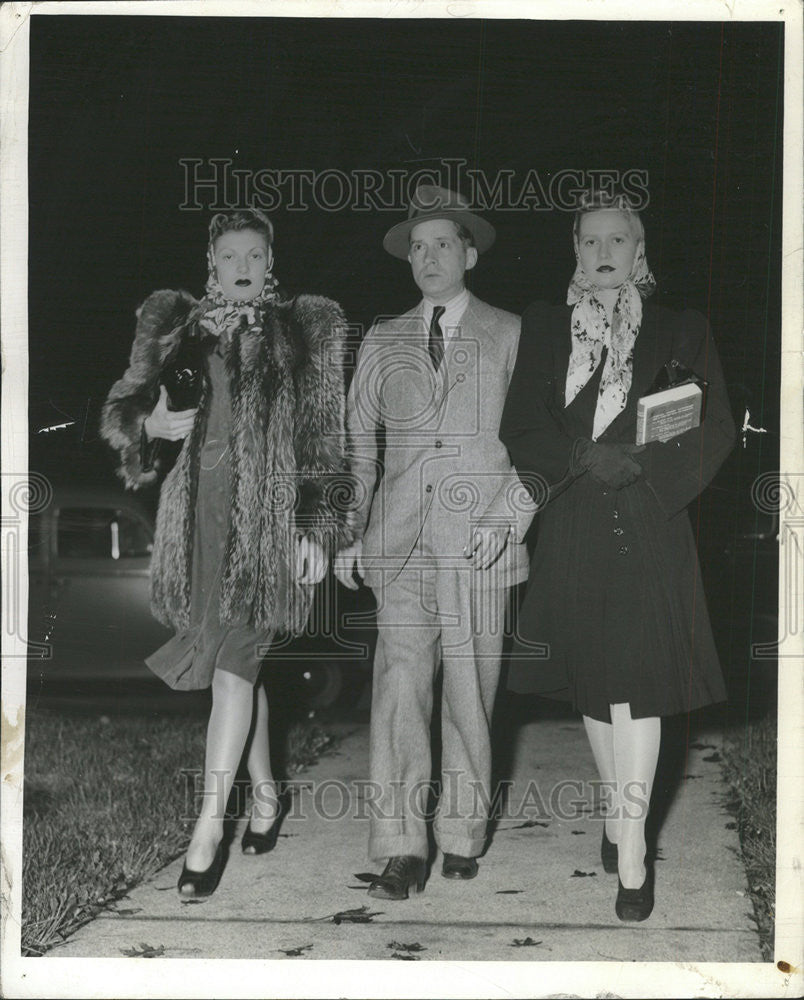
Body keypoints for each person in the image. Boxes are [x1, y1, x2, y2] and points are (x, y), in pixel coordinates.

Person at [499, 188, 736, 921]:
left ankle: (632, 850)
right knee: (598, 689)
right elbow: (520, 423)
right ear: (576, 252)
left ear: (640, 252)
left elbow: (712, 425)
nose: (603, 253)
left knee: (639, 686)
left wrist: (641, 470)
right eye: (590, 241)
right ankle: (615, 810)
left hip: (648, 524)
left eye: (618, 241)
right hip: (572, 521)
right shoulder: (547, 328)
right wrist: (580, 455)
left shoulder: (678, 329)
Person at [101, 209, 352, 898]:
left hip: (269, 528)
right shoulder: (174, 324)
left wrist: (316, 528)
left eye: (256, 254)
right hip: (200, 523)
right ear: (211, 266)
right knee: (228, 669)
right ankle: (266, 793)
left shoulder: (306, 329)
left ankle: (208, 829)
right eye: (230, 255)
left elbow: (326, 438)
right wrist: (147, 422)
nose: (243, 265)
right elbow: (125, 408)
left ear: (272, 264)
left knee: (237, 667)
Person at [334, 185, 536, 899]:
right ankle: (400, 846)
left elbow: (541, 441)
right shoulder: (384, 337)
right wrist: (349, 532)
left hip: (479, 540)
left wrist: (509, 515)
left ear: (470, 253)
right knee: (398, 688)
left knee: (470, 695)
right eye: (417, 246)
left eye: (442, 243)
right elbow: (358, 446)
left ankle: (461, 833)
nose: (428, 256)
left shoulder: (512, 332)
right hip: (400, 543)